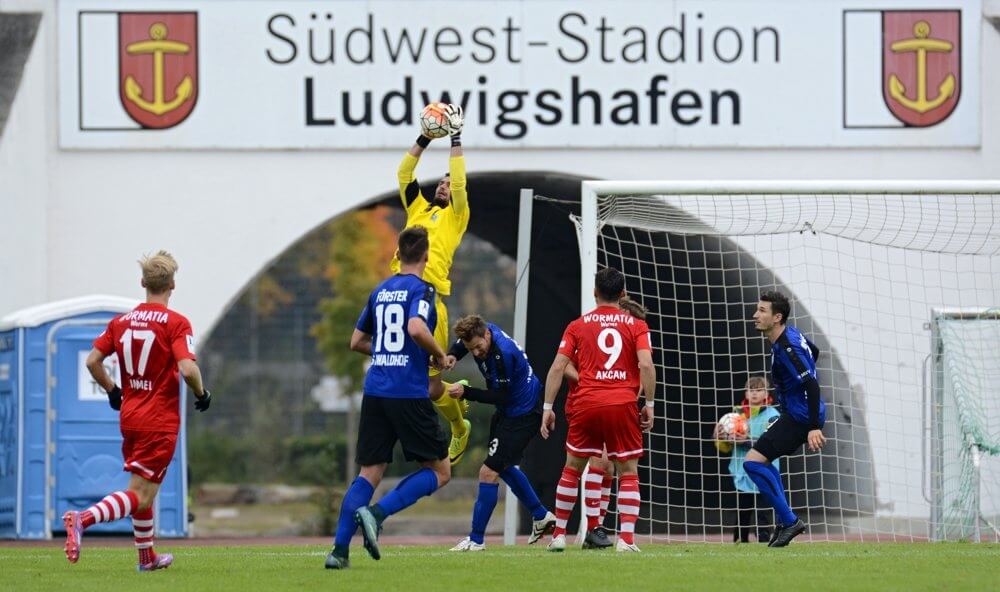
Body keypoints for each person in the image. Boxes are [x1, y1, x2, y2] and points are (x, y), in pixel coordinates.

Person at [68, 250, 212, 571]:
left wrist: (112, 390)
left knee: (143, 487)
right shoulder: (176, 323)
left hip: (130, 415)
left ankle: (146, 558)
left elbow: (92, 361)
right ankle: (82, 518)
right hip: (159, 420)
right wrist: (202, 394)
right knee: (141, 495)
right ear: (172, 284)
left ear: (143, 283)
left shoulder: (121, 322)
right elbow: (188, 370)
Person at [326, 225, 452, 570]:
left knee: (370, 471)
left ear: (398, 255)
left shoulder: (380, 291)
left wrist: (386, 351)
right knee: (440, 471)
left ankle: (338, 552)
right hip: (407, 393)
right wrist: (439, 355)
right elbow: (415, 328)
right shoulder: (423, 290)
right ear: (426, 256)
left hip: (376, 390)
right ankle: (377, 514)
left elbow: (356, 342)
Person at [541, 268, 656, 553]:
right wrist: (649, 404)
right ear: (622, 294)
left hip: (586, 404)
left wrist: (547, 407)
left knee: (572, 468)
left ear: (595, 292)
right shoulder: (636, 325)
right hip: (621, 403)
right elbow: (646, 365)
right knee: (627, 470)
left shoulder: (577, 325)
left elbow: (557, 366)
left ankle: (558, 536)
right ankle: (626, 540)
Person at [390, 104, 472, 465]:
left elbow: (459, 180)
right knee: (398, 368)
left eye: (446, 185)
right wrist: (425, 136)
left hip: (429, 299)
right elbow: (404, 172)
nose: (443, 186)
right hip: (397, 292)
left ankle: (459, 427)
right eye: (439, 183)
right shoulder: (417, 210)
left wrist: (455, 137)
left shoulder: (456, 216)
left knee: (432, 385)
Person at [443, 315, 557, 551]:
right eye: (469, 349)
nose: (475, 353)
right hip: (510, 411)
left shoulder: (502, 355)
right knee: (502, 467)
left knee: (488, 472)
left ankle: (476, 540)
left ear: (486, 336)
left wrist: (466, 392)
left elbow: (500, 395)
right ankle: (540, 515)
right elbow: (464, 341)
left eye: (477, 347)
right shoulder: (484, 330)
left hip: (522, 414)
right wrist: (454, 353)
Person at [745, 290, 826, 547]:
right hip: (797, 412)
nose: (755, 315)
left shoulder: (787, 347)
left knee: (753, 463)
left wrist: (813, 426)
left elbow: (811, 385)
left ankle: (790, 521)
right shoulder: (791, 336)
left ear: (777, 317)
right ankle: (785, 521)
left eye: (762, 311)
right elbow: (814, 351)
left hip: (802, 416)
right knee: (763, 460)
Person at [571, 296, 649, 547]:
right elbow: (564, 365)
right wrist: (588, 380)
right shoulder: (591, 331)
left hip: (617, 404)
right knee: (602, 461)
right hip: (588, 403)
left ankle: (598, 529)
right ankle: (594, 528)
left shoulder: (634, 335)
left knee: (611, 468)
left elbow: (641, 371)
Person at [713, 376, 780, 543]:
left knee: (763, 509)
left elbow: (774, 442)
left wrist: (746, 441)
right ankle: (739, 540)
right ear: (746, 393)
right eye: (751, 390)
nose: (755, 394)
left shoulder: (773, 415)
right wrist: (718, 437)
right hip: (742, 470)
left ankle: (764, 540)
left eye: (758, 390)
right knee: (743, 509)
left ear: (766, 393)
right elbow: (724, 446)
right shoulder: (736, 414)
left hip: (765, 469)